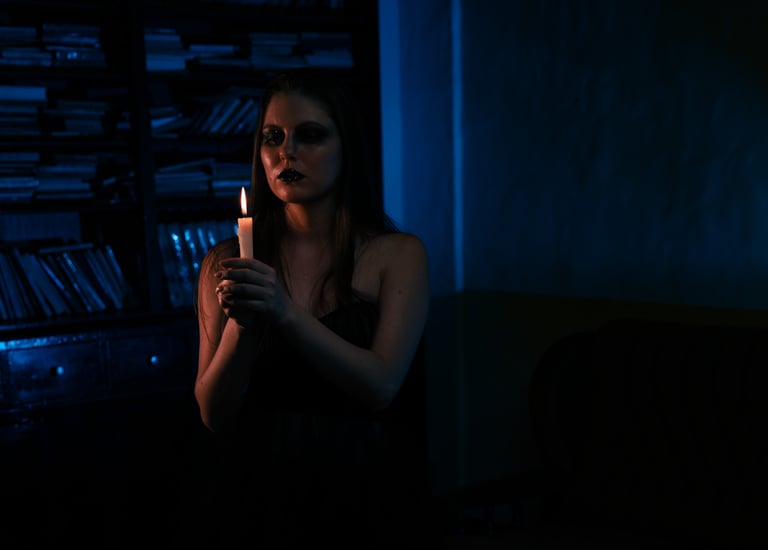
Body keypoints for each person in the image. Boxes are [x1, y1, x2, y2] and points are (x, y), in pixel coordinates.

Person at [193, 69, 431, 547]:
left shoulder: (397, 254)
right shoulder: (227, 262)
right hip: (257, 494)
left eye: (311, 135)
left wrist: (283, 311)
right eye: (273, 137)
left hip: (363, 493)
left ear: (347, 146)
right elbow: (213, 413)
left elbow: (381, 387)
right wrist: (243, 326)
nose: (287, 153)